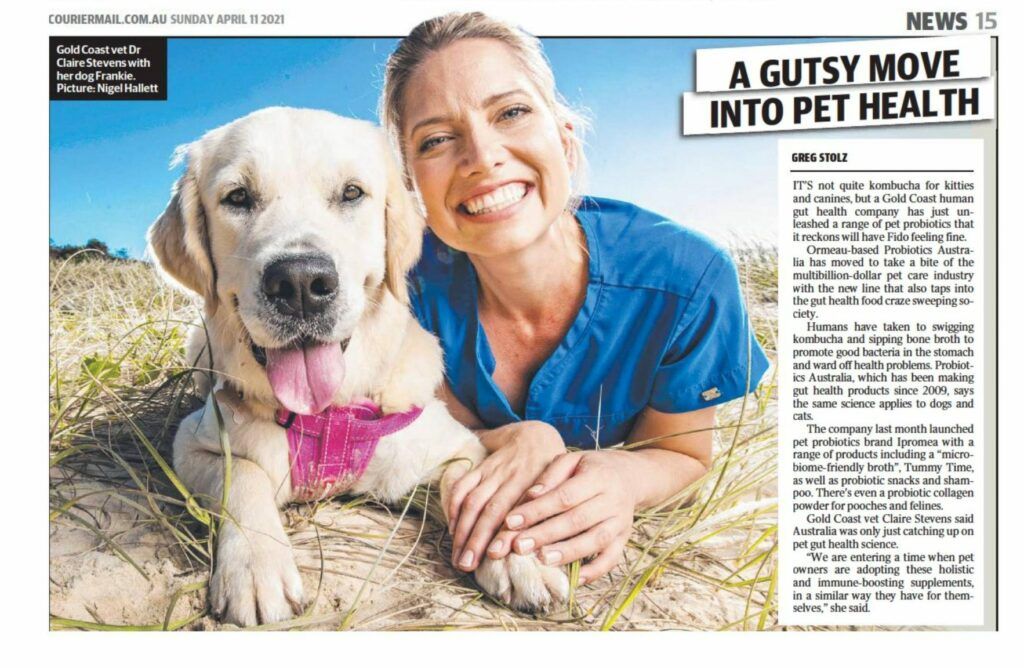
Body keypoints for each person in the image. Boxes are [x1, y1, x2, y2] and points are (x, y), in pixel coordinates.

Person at [380, 12, 769, 586]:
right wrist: (525, 438)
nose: (482, 156)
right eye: (437, 139)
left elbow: (685, 455)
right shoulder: (400, 288)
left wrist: (621, 477)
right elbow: (413, 429)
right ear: (413, 183)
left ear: (564, 136)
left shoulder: (688, 279)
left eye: (511, 112)